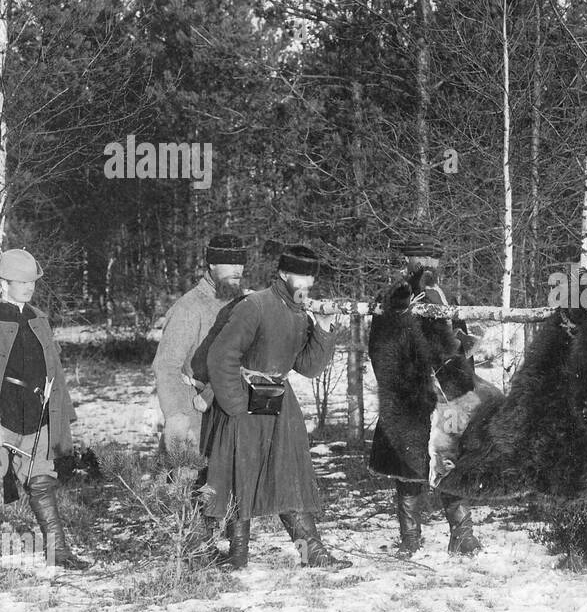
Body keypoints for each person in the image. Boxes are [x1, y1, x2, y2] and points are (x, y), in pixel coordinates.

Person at [201, 245, 349, 569]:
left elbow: (308, 366)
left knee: (289, 477)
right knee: (242, 477)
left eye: (311, 276)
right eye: (301, 275)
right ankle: (238, 556)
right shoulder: (254, 306)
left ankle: (313, 554)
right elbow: (221, 356)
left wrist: (322, 327)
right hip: (243, 404)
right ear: (283, 273)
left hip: (277, 402)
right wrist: (236, 405)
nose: (307, 282)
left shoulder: (300, 313)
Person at [0, 249, 89, 569]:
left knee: (42, 480)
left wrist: (55, 407)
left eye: (32, 281)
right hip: (0, 420)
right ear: (5, 282)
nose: (28, 287)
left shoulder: (38, 320)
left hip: (37, 415)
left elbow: (51, 366)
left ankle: (59, 552)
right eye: (21, 281)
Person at [368, 229, 494, 557]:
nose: (426, 263)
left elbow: (460, 345)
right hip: (410, 394)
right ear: (406, 260)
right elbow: (379, 347)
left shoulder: (444, 295)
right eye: (419, 257)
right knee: (407, 467)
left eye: (432, 257)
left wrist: (468, 344)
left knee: (451, 462)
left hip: (448, 394)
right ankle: (410, 540)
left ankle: (462, 535)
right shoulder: (392, 297)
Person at [153, 233, 247, 455]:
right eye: (230, 262)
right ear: (212, 263)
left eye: (240, 262)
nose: (238, 269)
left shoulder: (242, 303)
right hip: (196, 409)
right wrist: (176, 417)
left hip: (234, 407)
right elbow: (166, 367)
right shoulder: (189, 308)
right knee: (188, 480)